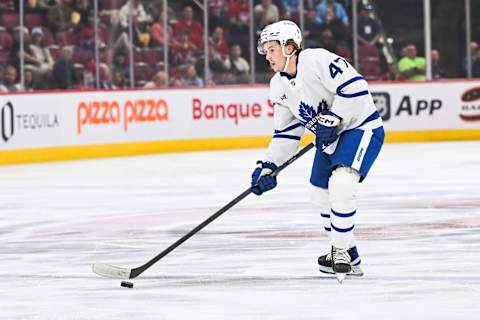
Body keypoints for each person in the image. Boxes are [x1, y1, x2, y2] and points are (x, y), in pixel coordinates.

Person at [252, 20, 384, 281]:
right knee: (319, 194)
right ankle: (351, 255)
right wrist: (267, 166)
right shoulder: (278, 86)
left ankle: (339, 251)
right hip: (329, 139)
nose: (267, 56)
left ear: (290, 47)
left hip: (360, 128)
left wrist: (334, 117)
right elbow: (286, 133)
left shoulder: (317, 60)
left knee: (342, 185)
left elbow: (356, 88)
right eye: (265, 51)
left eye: (272, 49)